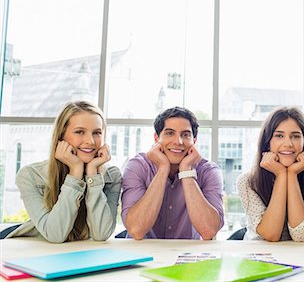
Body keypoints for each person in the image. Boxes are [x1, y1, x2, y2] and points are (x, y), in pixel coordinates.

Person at [6, 101, 122, 242]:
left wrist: (93, 175)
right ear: (61, 136)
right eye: (80, 132)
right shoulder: (30, 176)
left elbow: (101, 234)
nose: (91, 141)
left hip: (82, 255)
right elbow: (55, 235)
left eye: (97, 133)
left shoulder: (112, 176)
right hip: (34, 251)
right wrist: (75, 172)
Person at [121, 107, 224, 240]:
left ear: (195, 140)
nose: (178, 142)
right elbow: (136, 230)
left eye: (185, 135)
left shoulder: (208, 171)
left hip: (187, 256)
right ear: (156, 138)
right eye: (170, 133)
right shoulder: (138, 166)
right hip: (141, 256)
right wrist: (163, 168)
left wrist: (186, 170)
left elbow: (209, 231)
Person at [237, 107, 304, 241]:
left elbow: (301, 235)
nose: (288, 144)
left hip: (299, 258)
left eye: (295, 136)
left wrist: (291, 175)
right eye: (279, 136)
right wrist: (281, 175)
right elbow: (271, 234)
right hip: (258, 257)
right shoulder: (247, 181)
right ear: (267, 142)